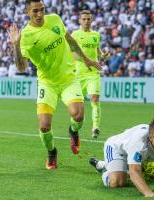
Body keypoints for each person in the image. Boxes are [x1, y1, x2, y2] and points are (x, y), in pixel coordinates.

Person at [7, 0, 101, 170]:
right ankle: (52, 151)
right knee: (44, 126)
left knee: (78, 116)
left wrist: (86, 58)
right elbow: (21, 67)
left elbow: (70, 40)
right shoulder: (26, 36)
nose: (40, 14)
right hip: (47, 83)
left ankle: (73, 131)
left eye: (42, 10)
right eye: (35, 11)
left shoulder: (55, 19)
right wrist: (15, 45)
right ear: (27, 11)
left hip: (68, 79)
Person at [71, 10, 109, 138]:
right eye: (84, 19)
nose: (86, 21)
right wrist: (88, 61)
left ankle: (95, 127)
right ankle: (74, 128)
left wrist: (103, 55)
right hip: (79, 75)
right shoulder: (75, 35)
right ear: (80, 21)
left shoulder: (96, 35)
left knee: (94, 99)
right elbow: (73, 54)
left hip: (93, 74)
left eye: (88, 19)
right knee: (77, 107)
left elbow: (96, 50)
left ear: (91, 20)